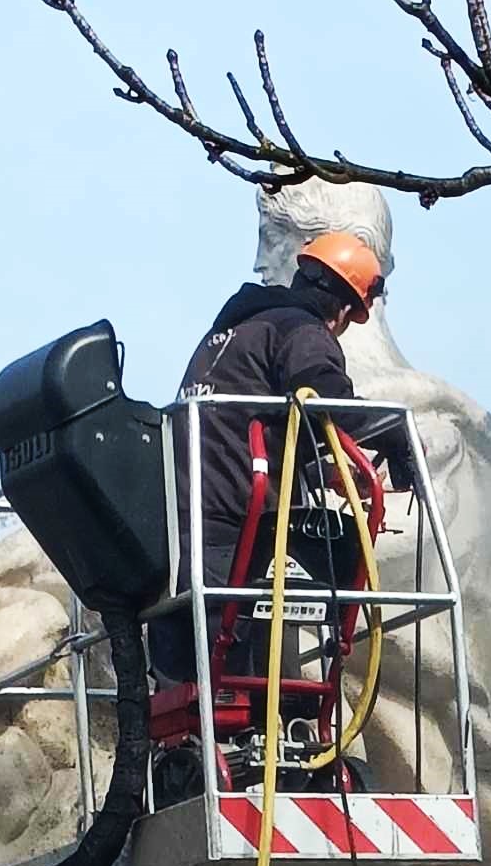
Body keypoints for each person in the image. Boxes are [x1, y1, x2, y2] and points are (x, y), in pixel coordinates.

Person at [151, 232, 414, 684]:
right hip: (235, 523)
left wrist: (323, 467)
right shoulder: (302, 331)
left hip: (179, 520)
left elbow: (254, 417)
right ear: (345, 308)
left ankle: (198, 748)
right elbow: (324, 394)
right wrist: (394, 435)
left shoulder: (234, 332)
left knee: (191, 676)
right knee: (245, 679)